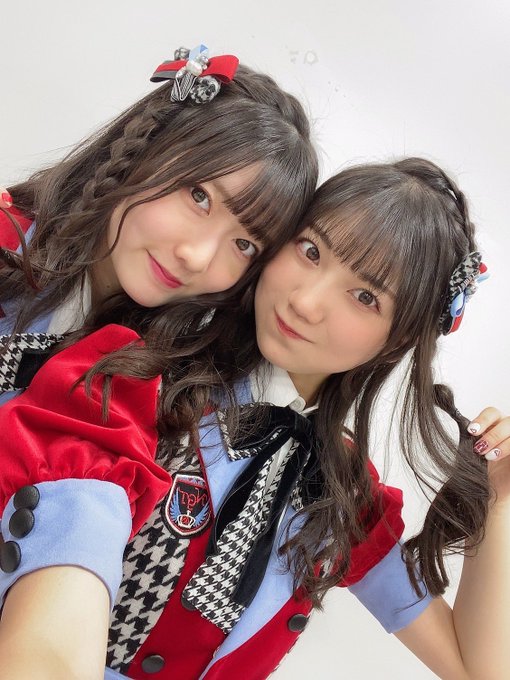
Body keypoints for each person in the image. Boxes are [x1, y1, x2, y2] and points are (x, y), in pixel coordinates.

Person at [0, 158, 508, 680]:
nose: (306, 302)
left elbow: (478, 668)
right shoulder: (141, 375)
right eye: (311, 251)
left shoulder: (342, 492)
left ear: (399, 339)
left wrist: (499, 496)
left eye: (365, 297)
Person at [0, 44, 318, 404]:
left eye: (244, 245)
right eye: (199, 197)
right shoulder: (7, 241)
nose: (197, 258)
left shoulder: (178, 386)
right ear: (146, 147)